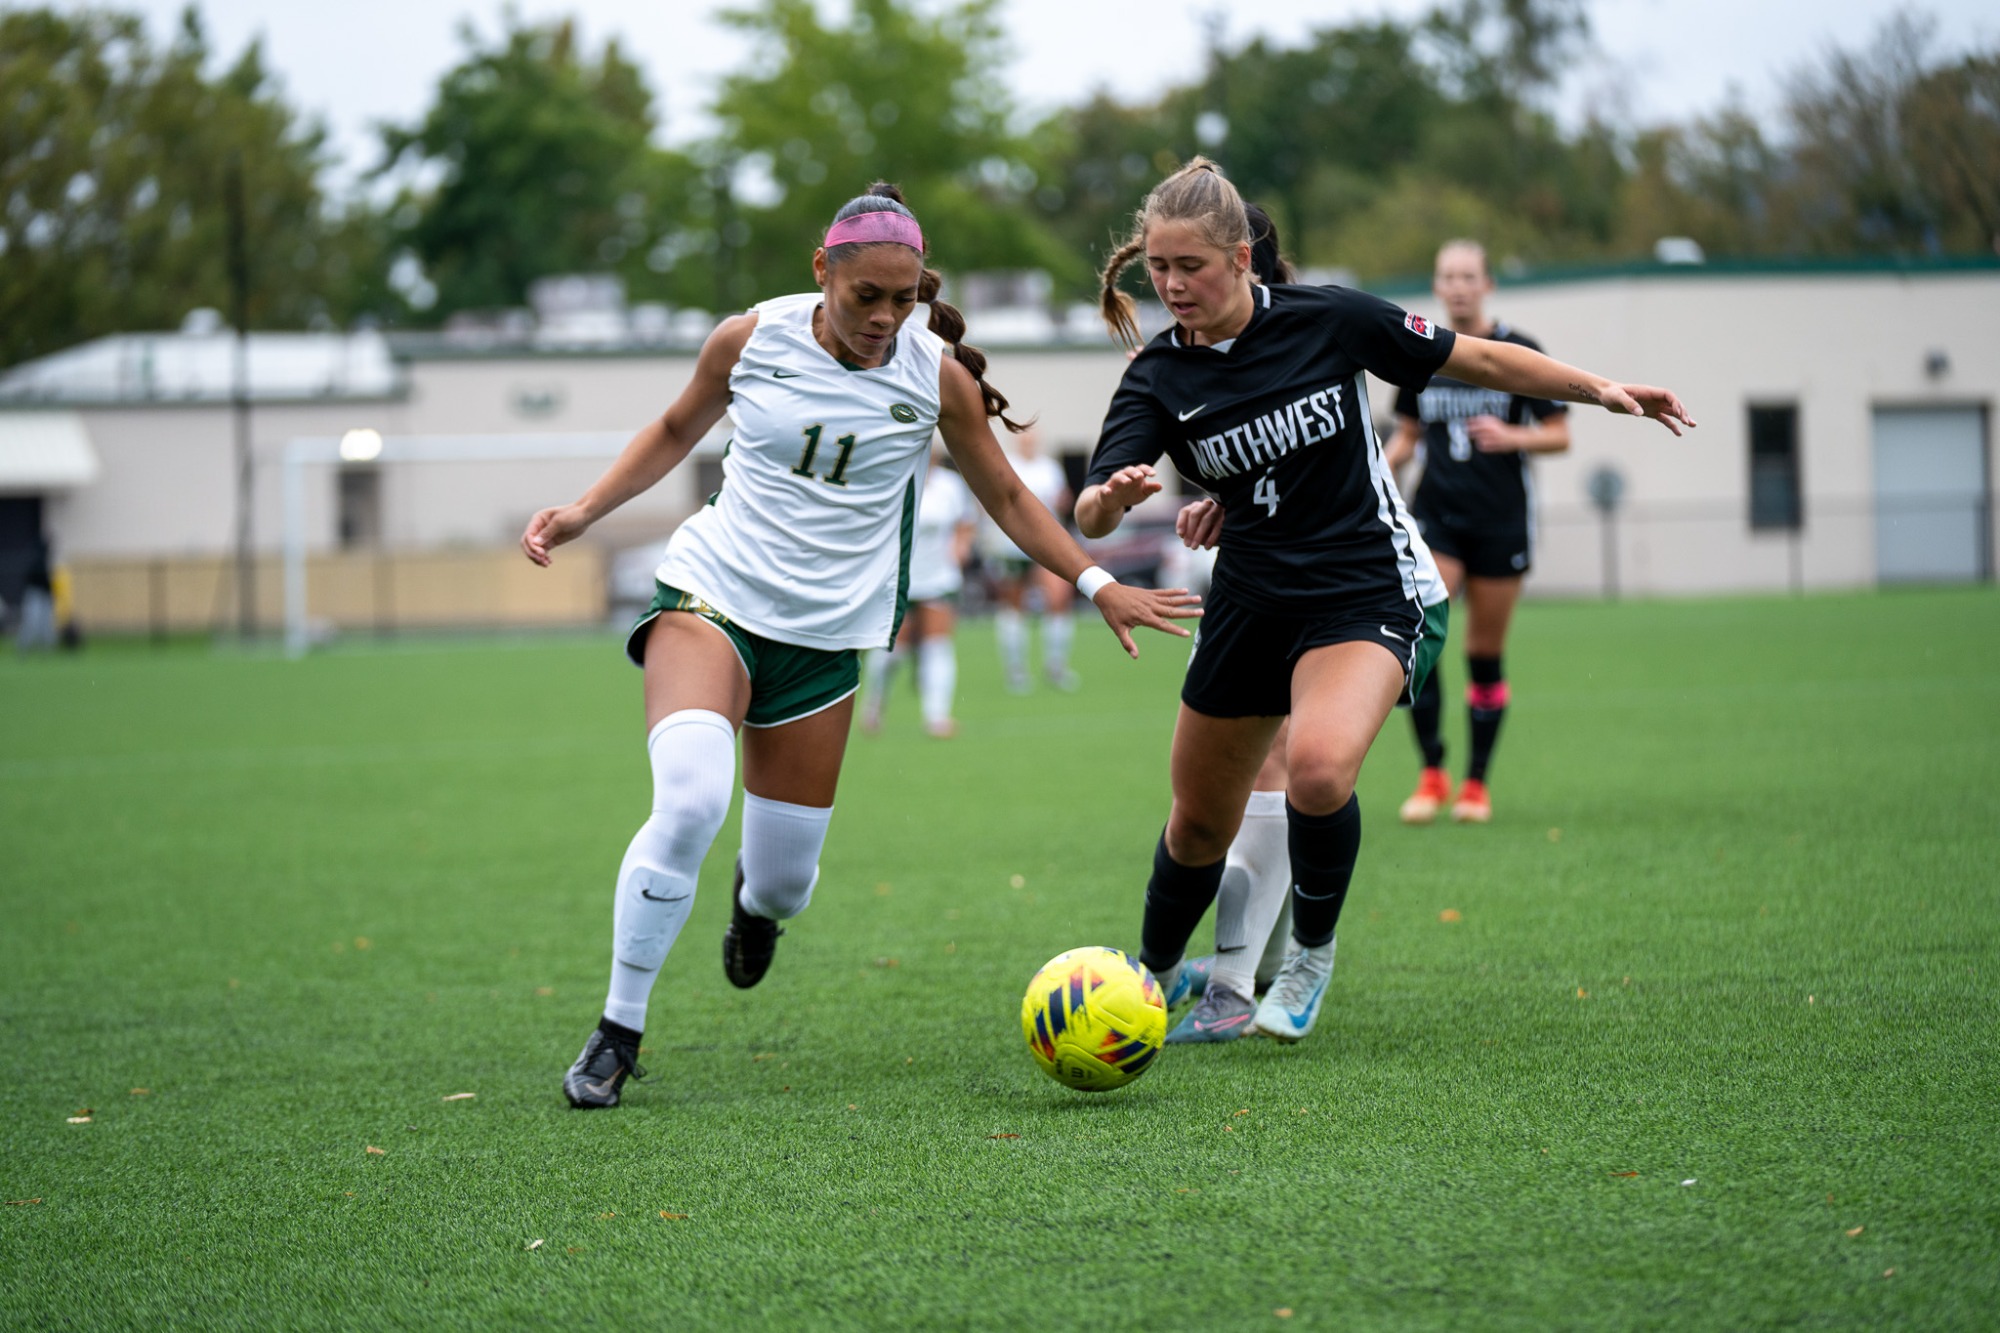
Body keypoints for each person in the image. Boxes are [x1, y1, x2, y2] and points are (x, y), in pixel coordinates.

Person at [521, 182, 1201, 1109]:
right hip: (711, 596)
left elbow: (1006, 498)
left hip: (827, 637)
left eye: (904, 298)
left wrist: (1096, 582)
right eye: (865, 297)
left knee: (786, 885)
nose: (885, 318)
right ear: (820, 273)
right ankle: (617, 1029)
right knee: (688, 802)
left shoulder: (934, 377)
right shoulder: (749, 338)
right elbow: (679, 428)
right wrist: (581, 511)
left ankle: (753, 909)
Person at [1075, 159, 1692, 1045]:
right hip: (1250, 599)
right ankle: (1154, 975)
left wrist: (1597, 388)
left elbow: (1473, 356)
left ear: (1242, 257)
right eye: (1159, 270)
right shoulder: (1155, 378)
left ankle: (1309, 960)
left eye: (1191, 267)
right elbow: (1091, 509)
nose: (1172, 286)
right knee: (1198, 819)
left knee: (1319, 769)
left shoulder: (1330, 319)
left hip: (1364, 587)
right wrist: (1117, 495)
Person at [1386, 240, 1570, 824]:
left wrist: (1514, 437)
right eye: (1448, 277)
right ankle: (1432, 772)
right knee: (1425, 640)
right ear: (1437, 287)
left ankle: (1476, 784)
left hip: (1501, 520)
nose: (1459, 286)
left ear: (1487, 283)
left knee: (1483, 654)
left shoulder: (1519, 350)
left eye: (1469, 276)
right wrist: (1367, 475)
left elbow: (1560, 434)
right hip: (1435, 516)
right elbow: (1408, 439)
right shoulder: (1422, 351)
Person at [860, 445, 976, 737]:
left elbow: (966, 521)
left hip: (939, 576)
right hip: (898, 578)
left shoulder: (951, 485)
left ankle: (937, 716)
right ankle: (874, 705)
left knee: (937, 644)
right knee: (893, 650)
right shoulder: (890, 481)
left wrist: (960, 546)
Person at [976, 427, 1079, 692]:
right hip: (1012, 546)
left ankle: (1055, 667)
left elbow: (1062, 500)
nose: (1028, 445)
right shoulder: (1007, 464)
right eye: (1024, 440)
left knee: (1059, 599)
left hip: (1046, 544)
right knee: (1014, 605)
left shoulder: (1049, 468)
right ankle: (1016, 670)